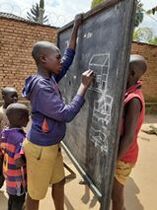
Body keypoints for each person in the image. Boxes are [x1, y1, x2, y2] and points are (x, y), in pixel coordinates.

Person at [22, 14, 94, 210]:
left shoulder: (50, 76)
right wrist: (83, 87)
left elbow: (69, 57)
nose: (61, 61)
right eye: (57, 58)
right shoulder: (42, 87)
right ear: (44, 59)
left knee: (60, 182)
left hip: (52, 146)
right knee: (35, 194)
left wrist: (75, 28)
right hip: (40, 149)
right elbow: (65, 114)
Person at [112, 54, 147, 210]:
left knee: (116, 194)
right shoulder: (127, 91)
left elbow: (129, 137)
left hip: (124, 156)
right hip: (120, 153)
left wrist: (113, 162)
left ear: (132, 74)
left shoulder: (133, 99)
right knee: (114, 192)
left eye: (123, 69)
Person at [0, 103, 29, 210]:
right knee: (19, 201)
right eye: (27, 116)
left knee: (12, 199)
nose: (28, 119)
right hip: (18, 179)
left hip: (8, 175)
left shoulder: (4, 133)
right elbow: (18, 162)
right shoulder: (20, 138)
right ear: (20, 118)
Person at [0, 87, 18, 188]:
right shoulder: (1, 113)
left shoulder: (17, 111)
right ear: (4, 97)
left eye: (16, 96)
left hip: (13, 148)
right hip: (3, 147)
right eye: (12, 97)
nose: (15, 99)